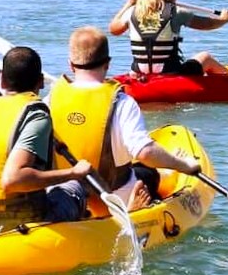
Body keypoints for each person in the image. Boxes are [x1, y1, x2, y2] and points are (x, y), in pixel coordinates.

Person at [52, 28, 206, 210]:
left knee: (141, 167)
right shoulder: (122, 102)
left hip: (66, 199)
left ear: (71, 65)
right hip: (117, 199)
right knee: (149, 173)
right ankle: (165, 171)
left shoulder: (50, 100)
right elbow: (145, 152)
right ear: (108, 64)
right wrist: (183, 166)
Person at [0, 45, 91, 226]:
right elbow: (13, 179)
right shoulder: (36, 115)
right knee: (75, 187)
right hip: (24, 217)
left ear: (2, 81)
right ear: (41, 81)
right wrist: (72, 173)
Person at [109, 0, 228, 76]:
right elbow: (208, 24)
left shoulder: (132, 12)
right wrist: (224, 19)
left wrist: (130, 3)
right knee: (205, 57)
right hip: (170, 72)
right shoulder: (176, 12)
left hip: (139, 72)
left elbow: (114, 29)